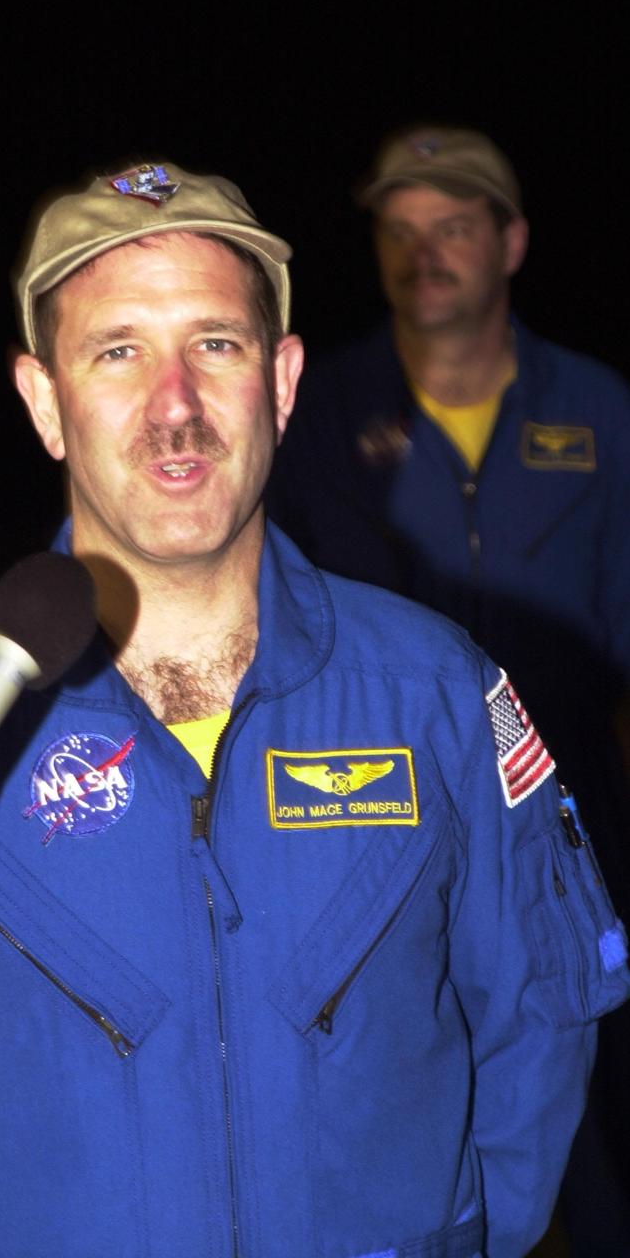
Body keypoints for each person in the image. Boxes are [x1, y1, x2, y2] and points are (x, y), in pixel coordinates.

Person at [0, 159, 627, 1258]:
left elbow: (541, 1013)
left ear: (280, 382)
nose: (174, 404)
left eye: (215, 345)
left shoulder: (434, 696)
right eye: (117, 350)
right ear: (44, 400)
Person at [266, 124, 630, 1249]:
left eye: (454, 226)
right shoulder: (314, 414)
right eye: (398, 229)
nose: (423, 252)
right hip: (385, 831)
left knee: (599, 1120)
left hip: (580, 822)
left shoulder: (600, 408)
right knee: (415, 1114)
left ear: (509, 242)